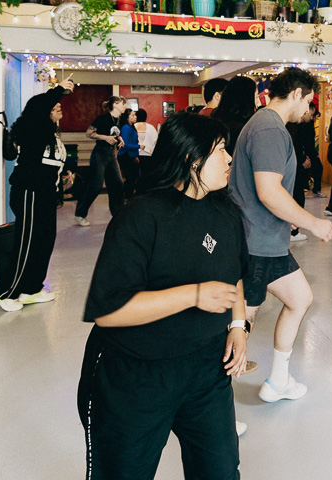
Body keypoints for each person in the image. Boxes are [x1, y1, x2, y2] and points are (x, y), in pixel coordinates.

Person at [77, 113, 247, 479]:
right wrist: (193, 295)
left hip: (207, 371)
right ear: (190, 157)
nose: (230, 159)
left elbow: (233, 274)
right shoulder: (140, 216)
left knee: (220, 470)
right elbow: (109, 311)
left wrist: (238, 325)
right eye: (220, 150)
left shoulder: (226, 210)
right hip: (137, 376)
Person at [227, 67, 332, 404]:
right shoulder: (270, 129)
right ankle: (213, 403)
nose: (309, 109)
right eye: (309, 101)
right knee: (241, 324)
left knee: (300, 298)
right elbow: (268, 192)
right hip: (255, 243)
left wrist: (287, 216)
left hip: (267, 240)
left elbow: (271, 193)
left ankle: (278, 380)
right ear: (297, 94)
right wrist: (312, 223)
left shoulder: (266, 125)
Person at [0, 79, 75, 312]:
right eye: (54, 105)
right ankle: (5, 292)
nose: (59, 106)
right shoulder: (34, 125)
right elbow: (38, 105)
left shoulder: (51, 132)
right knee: (26, 242)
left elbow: (50, 161)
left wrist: (63, 177)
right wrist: (59, 90)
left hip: (45, 192)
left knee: (44, 240)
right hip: (29, 191)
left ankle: (31, 288)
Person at [74, 96, 127, 227]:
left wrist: (120, 140)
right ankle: (80, 214)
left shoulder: (118, 119)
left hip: (111, 156)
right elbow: (89, 133)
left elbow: (115, 133)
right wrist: (105, 138)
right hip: (99, 154)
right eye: (122, 104)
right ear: (115, 105)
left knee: (117, 184)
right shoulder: (102, 118)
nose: (124, 106)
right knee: (96, 186)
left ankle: (118, 214)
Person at [287, 103, 320, 242]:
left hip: (292, 165)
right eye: (311, 114)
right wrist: (303, 159)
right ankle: (293, 231)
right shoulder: (301, 125)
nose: (310, 116)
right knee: (297, 196)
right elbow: (299, 145)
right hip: (295, 166)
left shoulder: (291, 124)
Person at [212, 76, 258, 156]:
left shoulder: (216, 118)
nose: (258, 102)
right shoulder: (244, 128)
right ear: (247, 98)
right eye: (256, 97)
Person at [118, 108, 141, 200]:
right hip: (126, 156)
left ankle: (128, 197)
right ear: (127, 117)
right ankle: (127, 197)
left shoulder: (131, 127)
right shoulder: (126, 128)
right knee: (130, 178)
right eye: (133, 115)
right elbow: (125, 144)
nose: (135, 117)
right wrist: (139, 147)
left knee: (132, 178)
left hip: (131, 156)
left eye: (135, 115)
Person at [134, 108, 159, 192]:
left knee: (135, 175)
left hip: (135, 155)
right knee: (146, 175)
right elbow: (156, 141)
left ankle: (136, 191)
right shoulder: (151, 127)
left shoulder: (133, 127)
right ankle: (145, 191)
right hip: (148, 155)